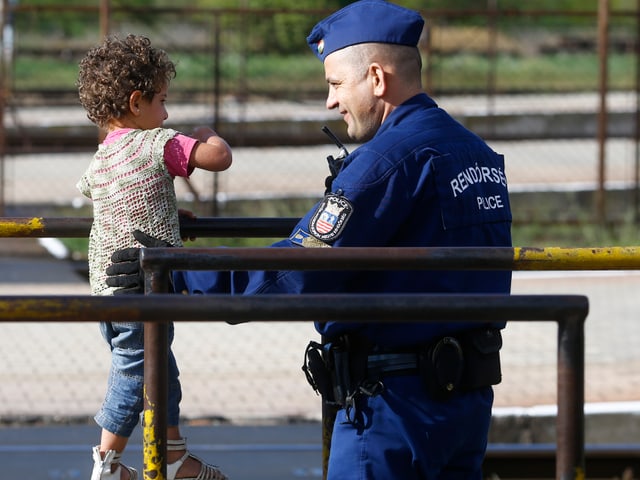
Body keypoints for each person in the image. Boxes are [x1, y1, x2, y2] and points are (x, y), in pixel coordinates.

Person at [107, 1, 512, 478]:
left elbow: (303, 268)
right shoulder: (475, 153)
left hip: (393, 411)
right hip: (464, 406)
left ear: (377, 79)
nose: (331, 102)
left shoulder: (387, 162)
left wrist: (174, 273)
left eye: (336, 84)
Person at [76, 34, 232, 480]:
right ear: (136, 101)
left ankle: (172, 452)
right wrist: (204, 134)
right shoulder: (157, 142)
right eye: (161, 101)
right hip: (140, 288)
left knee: (163, 371)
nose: (166, 113)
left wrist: (164, 210)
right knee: (136, 374)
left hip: (108, 287)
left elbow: (106, 198)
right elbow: (219, 158)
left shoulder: (102, 158)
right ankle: (106, 463)